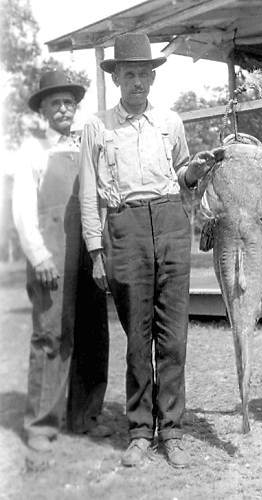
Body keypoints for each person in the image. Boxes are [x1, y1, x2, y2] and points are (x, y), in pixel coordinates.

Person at [79, 33, 220, 468]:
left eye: (144, 73)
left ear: (152, 78)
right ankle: (140, 431)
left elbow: (180, 175)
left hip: (171, 220)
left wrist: (192, 172)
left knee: (173, 336)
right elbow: (89, 193)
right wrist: (96, 249)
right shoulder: (97, 127)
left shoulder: (170, 122)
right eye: (130, 73)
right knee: (137, 338)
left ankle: (172, 431)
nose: (137, 80)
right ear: (117, 77)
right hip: (125, 227)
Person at [13, 70, 111, 453]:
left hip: (87, 253)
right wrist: (38, 255)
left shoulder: (87, 146)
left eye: (69, 102)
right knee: (50, 335)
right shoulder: (33, 150)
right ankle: (41, 424)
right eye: (55, 103)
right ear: (44, 110)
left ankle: (85, 416)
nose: (63, 109)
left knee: (92, 334)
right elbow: (22, 210)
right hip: (51, 255)